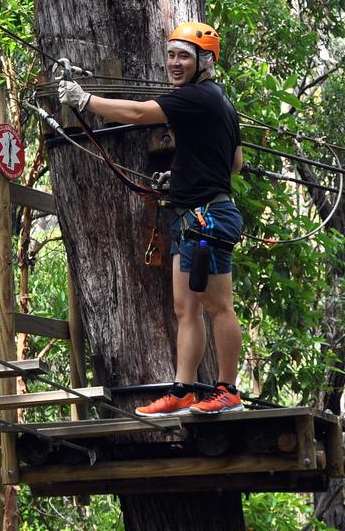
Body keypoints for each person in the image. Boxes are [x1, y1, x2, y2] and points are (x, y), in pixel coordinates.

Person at [58, 22, 245, 415]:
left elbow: (138, 113)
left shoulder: (197, 97)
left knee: (217, 305)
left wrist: (83, 99)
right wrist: (181, 175)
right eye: (171, 55)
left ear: (205, 62)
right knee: (185, 308)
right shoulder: (220, 103)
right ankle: (183, 390)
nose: (175, 64)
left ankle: (228, 390)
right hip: (192, 214)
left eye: (184, 57)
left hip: (208, 216)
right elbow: (235, 164)